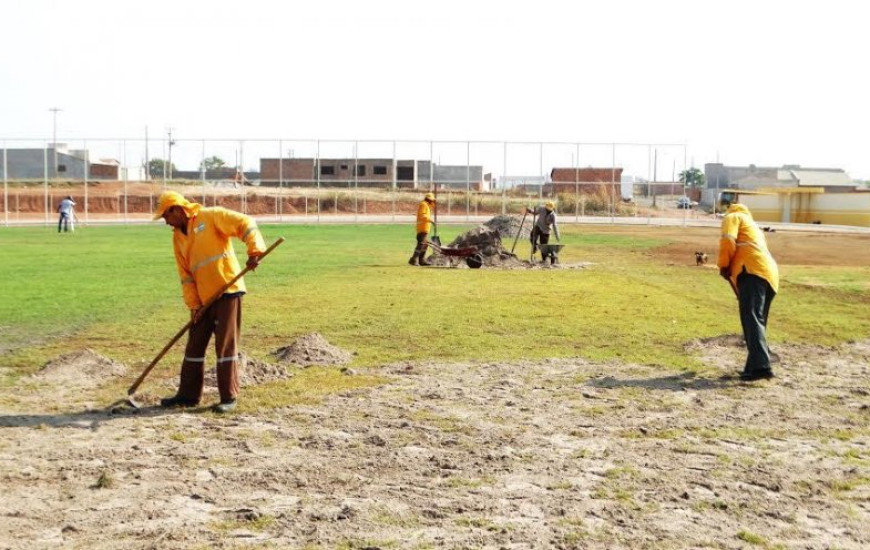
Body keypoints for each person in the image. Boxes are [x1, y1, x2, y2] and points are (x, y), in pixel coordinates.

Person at [152, 191, 266, 412]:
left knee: (225, 345)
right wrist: (194, 306)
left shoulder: (210, 216)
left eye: (165, 216)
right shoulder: (177, 237)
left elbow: (246, 223)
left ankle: (228, 398)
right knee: (194, 345)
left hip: (228, 291)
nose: (165, 222)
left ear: (176, 209)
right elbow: (185, 275)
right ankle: (187, 395)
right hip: (203, 301)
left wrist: (254, 252)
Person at [717, 198, 779, 381]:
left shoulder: (733, 217)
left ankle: (761, 366)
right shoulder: (752, 224)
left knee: (751, 318)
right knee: (756, 321)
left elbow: (728, 241)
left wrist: (723, 265)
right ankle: (753, 367)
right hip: (769, 275)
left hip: (752, 271)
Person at [409, 192, 436, 266]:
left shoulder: (426, 205)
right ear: (429, 200)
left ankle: (422, 260)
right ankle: (414, 259)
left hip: (425, 228)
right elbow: (423, 215)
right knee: (421, 244)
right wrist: (431, 220)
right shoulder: (423, 204)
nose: (433, 202)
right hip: (422, 228)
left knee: (425, 244)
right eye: (432, 200)